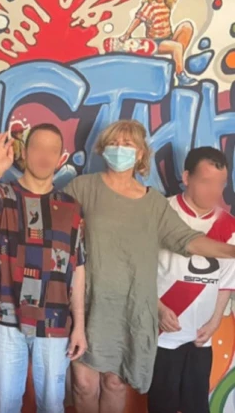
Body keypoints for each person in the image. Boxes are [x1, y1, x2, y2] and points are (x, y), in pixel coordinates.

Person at [64, 120, 235, 413]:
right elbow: (56, 233)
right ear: (103, 148)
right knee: (84, 385)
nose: (120, 149)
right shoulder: (82, 188)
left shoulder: (153, 202)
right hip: (88, 305)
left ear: (141, 153)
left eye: (128, 144)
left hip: (130, 308)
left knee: (115, 383)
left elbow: (188, 241)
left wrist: (232, 251)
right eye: (114, 143)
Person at [0, 124, 87, 413]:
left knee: (53, 405)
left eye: (52, 150)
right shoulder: (3, 194)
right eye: (37, 148)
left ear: (61, 158)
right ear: (24, 152)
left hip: (55, 321)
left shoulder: (71, 207)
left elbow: (78, 269)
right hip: (7, 319)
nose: (44, 156)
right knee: (6, 404)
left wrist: (80, 326)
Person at [148, 147, 235, 413]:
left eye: (221, 184)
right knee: (162, 406)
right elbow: (138, 272)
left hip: (200, 339)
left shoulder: (228, 225)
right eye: (206, 182)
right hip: (162, 335)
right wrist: (158, 308)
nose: (214, 192)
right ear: (186, 177)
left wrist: (215, 321)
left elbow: (226, 281)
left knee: (197, 406)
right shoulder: (160, 212)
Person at [120, 0, 197, 86]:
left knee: (187, 26)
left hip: (168, 38)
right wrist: (127, 34)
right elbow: (138, 19)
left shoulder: (167, 2)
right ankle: (180, 74)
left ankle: (176, 62)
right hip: (156, 42)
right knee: (177, 47)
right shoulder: (149, 5)